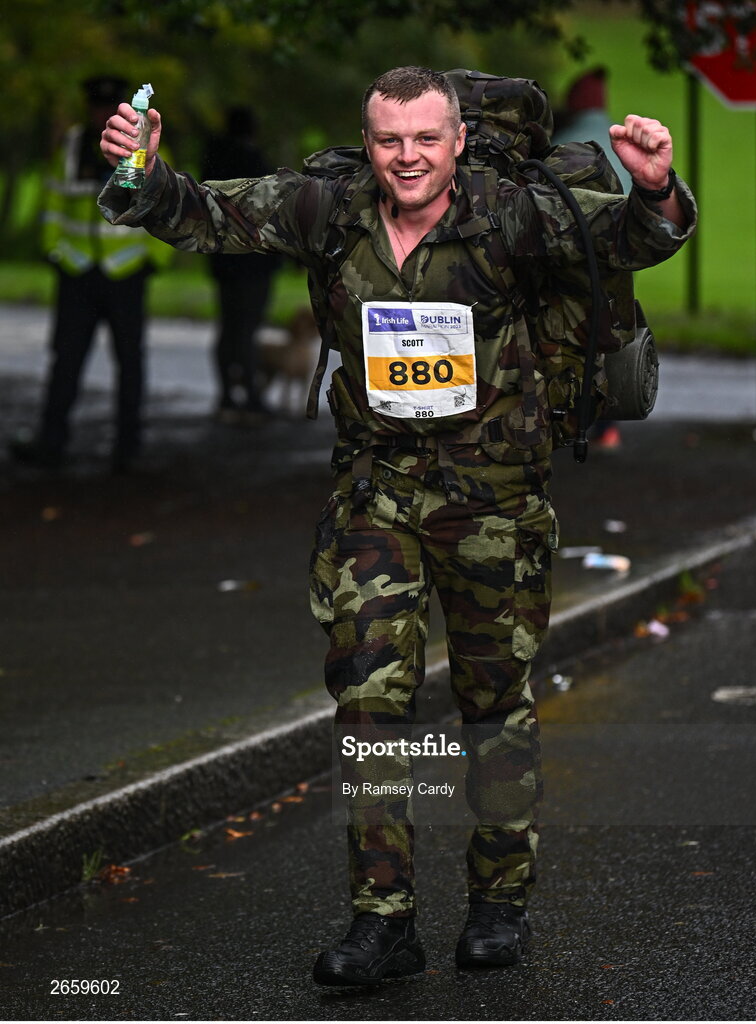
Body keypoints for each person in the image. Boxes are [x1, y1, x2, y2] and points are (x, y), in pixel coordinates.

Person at [99, 66, 696, 984]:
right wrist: (144, 172)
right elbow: (209, 214)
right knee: (373, 708)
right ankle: (384, 920)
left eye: (426, 139)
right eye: (389, 141)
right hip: (377, 499)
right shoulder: (329, 209)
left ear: (457, 139)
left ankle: (499, 905)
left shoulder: (512, 214)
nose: (407, 158)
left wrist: (653, 185)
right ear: (368, 143)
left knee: (495, 708)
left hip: (494, 503)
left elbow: (627, 241)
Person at [10, 75, 172, 473]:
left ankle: (128, 450)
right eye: (95, 105)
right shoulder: (70, 143)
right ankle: (51, 445)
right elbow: (52, 200)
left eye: (107, 105)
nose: (101, 112)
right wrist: (53, 250)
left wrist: (155, 260)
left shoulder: (139, 142)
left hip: (126, 270)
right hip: (77, 270)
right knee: (65, 360)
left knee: (130, 362)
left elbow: (162, 199)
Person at [553, 67, 629, 450]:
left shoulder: (561, 144)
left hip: (566, 268)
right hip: (616, 265)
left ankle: (573, 423)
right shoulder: (621, 142)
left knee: (566, 343)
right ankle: (607, 426)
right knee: (612, 338)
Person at [200, 107, 282, 423]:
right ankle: (250, 395)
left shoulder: (214, 162)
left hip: (225, 259)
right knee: (247, 329)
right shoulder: (254, 163)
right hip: (253, 261)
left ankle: (226, 394)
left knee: (229, 328)